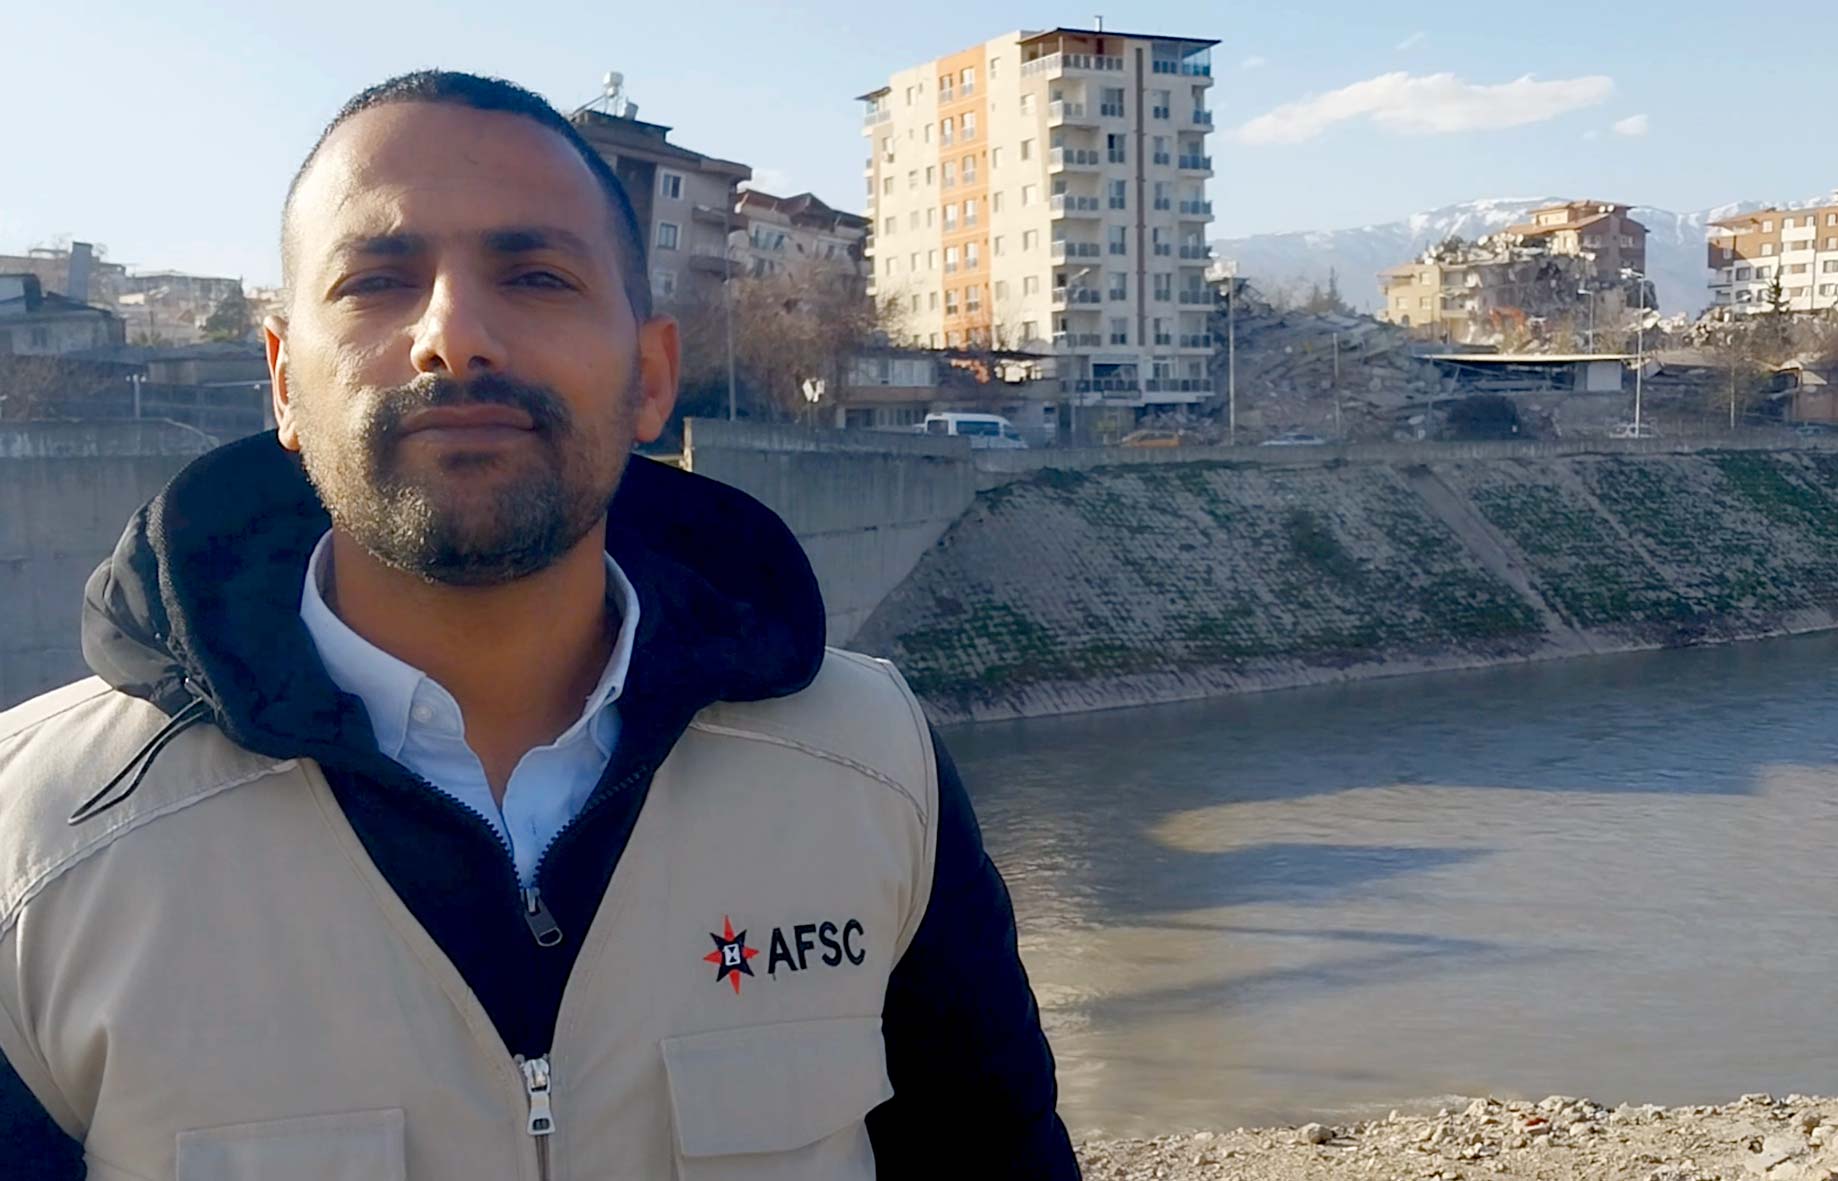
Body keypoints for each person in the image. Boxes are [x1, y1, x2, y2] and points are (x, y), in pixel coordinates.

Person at [0, 71, 1078, 1179]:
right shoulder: (35, 839)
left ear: (650, 375)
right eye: (377, 280)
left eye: (535, 275)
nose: (453, 336)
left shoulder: (870, 764)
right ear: (282, 380)